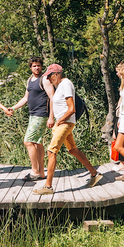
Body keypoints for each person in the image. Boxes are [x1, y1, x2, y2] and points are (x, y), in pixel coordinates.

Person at [34, 64, 103, 195]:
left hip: (65, 124)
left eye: (49, 76)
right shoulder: (60, 85)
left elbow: (72, 108)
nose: (48, 80)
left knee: (51, 152)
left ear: (56, 74)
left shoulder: (66, 84)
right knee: (73, 150)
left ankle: (48, 186)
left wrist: (60, 120)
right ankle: (95, 173)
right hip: (63, 124)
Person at [9, 57, 54, 181]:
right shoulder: (30, 80)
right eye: (34, 66)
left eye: (39, 65)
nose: (37, 68)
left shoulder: (44, 79)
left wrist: (51, 117)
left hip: (41, 114)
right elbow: (25, 98)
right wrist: (13, 108)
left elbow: (52, 97)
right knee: (38, 143)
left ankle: (34, 171)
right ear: (30, 67)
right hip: (32, 114)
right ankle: (41, 173)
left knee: (28, 141)